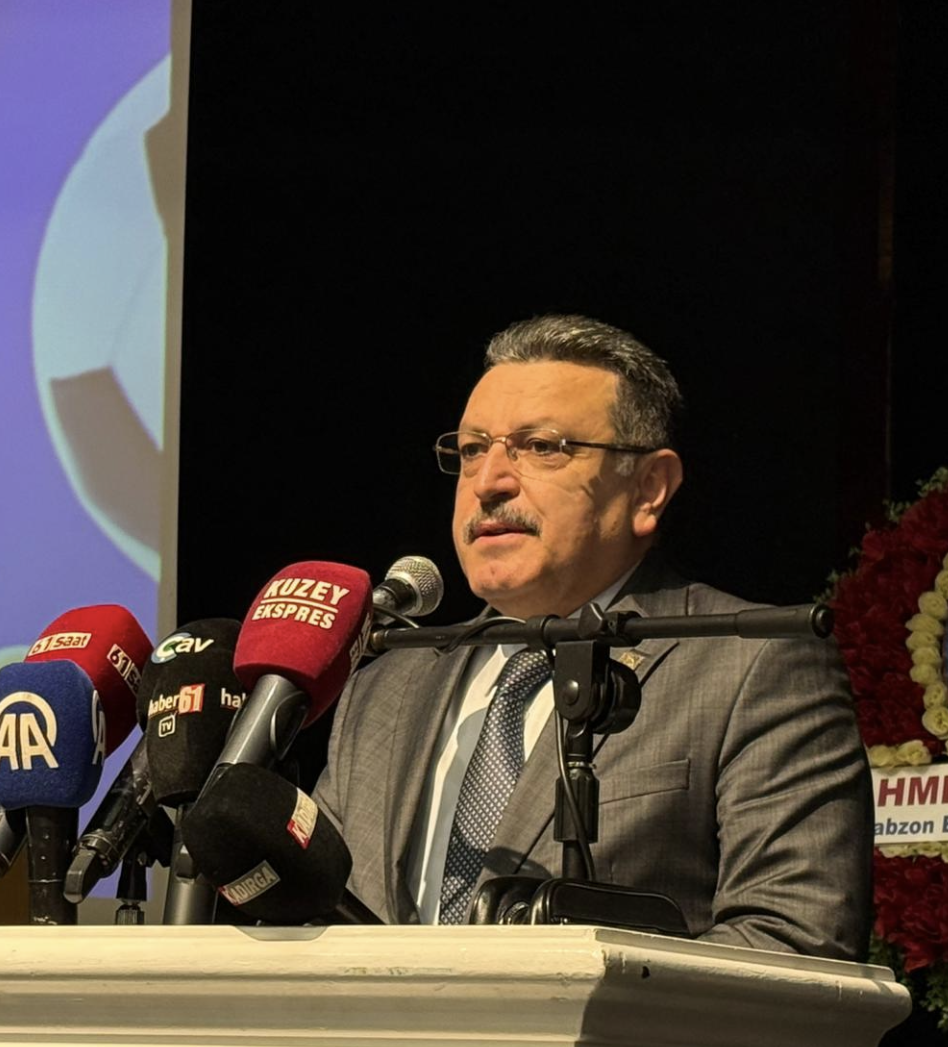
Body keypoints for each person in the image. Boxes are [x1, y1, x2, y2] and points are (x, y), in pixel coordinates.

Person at [310, 313, 872, 960]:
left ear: (649, 489)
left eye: (541, 447)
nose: (489, 482)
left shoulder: (753, 667)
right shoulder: (383, 690)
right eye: (471, 450)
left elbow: (796, 944)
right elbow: (315, 922)